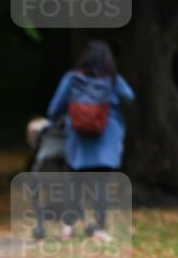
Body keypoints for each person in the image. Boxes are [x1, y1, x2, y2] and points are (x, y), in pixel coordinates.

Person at [47, 39, 134, 242]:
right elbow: (129, 96)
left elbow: (53, 109)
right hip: (107, 139)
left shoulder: (71, 79)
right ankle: (97, 229)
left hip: (78, 140)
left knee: (74, 183)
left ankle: (67, 228)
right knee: (101, 186)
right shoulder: (113, 80)